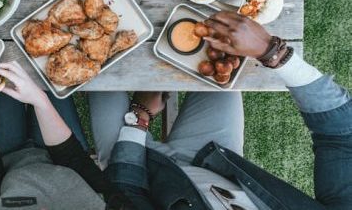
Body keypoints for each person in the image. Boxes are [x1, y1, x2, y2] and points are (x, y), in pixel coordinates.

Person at [91, 11, 352, 210]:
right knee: (217, 63)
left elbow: (126, 192)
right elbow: (341, 136)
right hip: (213, 161)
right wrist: (271, 52)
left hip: (140, 172)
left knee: (96, 69)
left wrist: (140, 116)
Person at [0, 62, 132, 210]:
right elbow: (73, 159)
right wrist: (39, 100)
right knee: (50, 69)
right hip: (61, 157)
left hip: (3, 160)